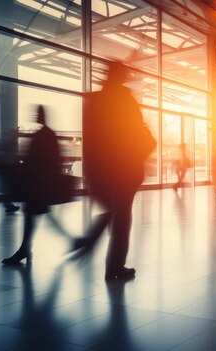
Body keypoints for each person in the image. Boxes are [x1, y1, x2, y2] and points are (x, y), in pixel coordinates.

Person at [72, 61, 156, 280]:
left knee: (112, 212)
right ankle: (114, 266)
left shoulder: (94, 101)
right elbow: (138, 135)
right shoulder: (127, 102)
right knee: (121, 219)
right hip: (124, 169)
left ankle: (91, 242)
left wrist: (90, 169)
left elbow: (90, 139)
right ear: (123, 77)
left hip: (101, 169)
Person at [2, 106, 60, 265]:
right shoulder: (48, 134)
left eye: (37, 114)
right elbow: (54, 161)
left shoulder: (42, 135)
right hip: (41, 184)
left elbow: (36, 160)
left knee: (32, 216)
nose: (35, 116)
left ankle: (25, 250)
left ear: (41, 116)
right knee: (34, 216)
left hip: (38, 184)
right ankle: (24, 249)